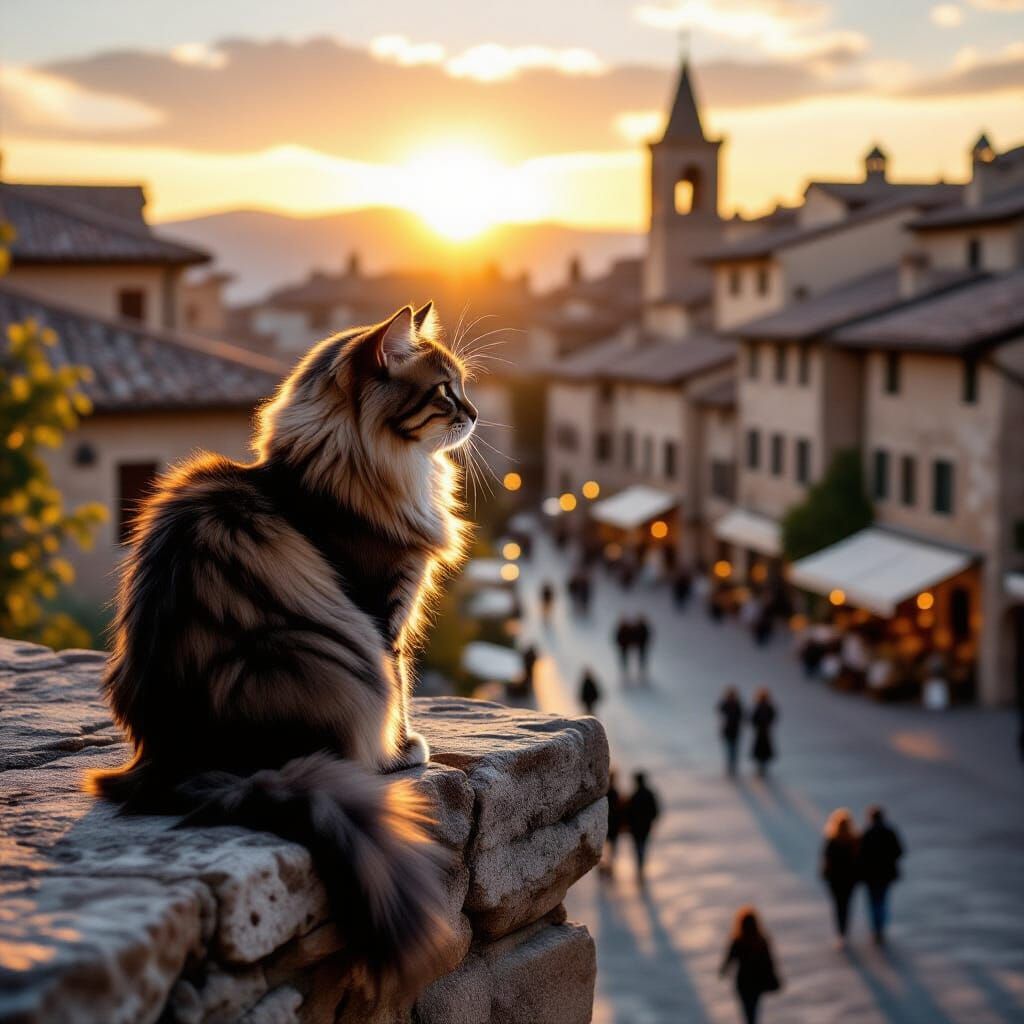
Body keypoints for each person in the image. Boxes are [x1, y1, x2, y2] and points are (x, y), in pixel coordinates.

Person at [719, 906, 782, 1024]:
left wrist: (723, 971)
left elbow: (729, 959)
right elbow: (769, 962)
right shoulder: (761, 941)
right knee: (753, 1009)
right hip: (757, 983)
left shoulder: (737, 940)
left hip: (742, 983)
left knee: (747, 1010)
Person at [859, 805, 904, 945]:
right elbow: (899, 851)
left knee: (873, 901)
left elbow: (860, 854)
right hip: (886, 874)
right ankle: (881, 927)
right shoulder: (890, 832)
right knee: (883, 900)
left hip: (870, 875)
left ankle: (876, 927)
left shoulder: (866, 832)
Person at [821, 808, 860, 948]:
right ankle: (845, 930)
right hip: (849, 880)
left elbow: (826, 861)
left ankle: (841, 933)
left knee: (838, 906)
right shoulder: (854, 839)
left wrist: (824, 875)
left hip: (835, 880)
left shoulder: (832, 840)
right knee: (847, 906)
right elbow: (858, 860)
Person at [626, 771, 660, 881]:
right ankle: (641, 869)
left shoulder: (634, 795)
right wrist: (650, 821)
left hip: (636, 828)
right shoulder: (649, 794)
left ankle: (639, 869)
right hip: (645, 827)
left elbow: (628, 813)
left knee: (638, 848)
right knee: (642, 847)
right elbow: (655, 811)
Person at [600, 770, 624, 876]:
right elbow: (619, 810)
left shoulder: (604, 792)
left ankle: (604, 867)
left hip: (605, 825)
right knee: (611, 849)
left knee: (604, 848)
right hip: (612, 826)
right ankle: (609, 867)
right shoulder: (614, 792)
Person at [750, 689, 778, 777]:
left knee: (761, 752)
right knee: (763, 752)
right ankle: (762, 768)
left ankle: (761, 768)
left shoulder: (760, 707)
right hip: (764, 731)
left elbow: (752, 718)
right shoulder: (768, 707)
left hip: (761, 732)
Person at [717, 687, 744, 776]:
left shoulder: (737, 705)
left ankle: (732, 767)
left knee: (733, 749)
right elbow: (719, 709)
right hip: (728, 730)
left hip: (734, 730)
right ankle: (730, 767)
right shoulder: (728, 704)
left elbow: (742, 716)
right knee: (730, 749)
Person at [634, 616, 652, 682]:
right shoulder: (638, 628)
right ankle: (641, 671)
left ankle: (642, 671)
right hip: (640, 646)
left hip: (642, 646)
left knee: (642, 658)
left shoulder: (644, 628)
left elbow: (647, 636)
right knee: (640, 658)